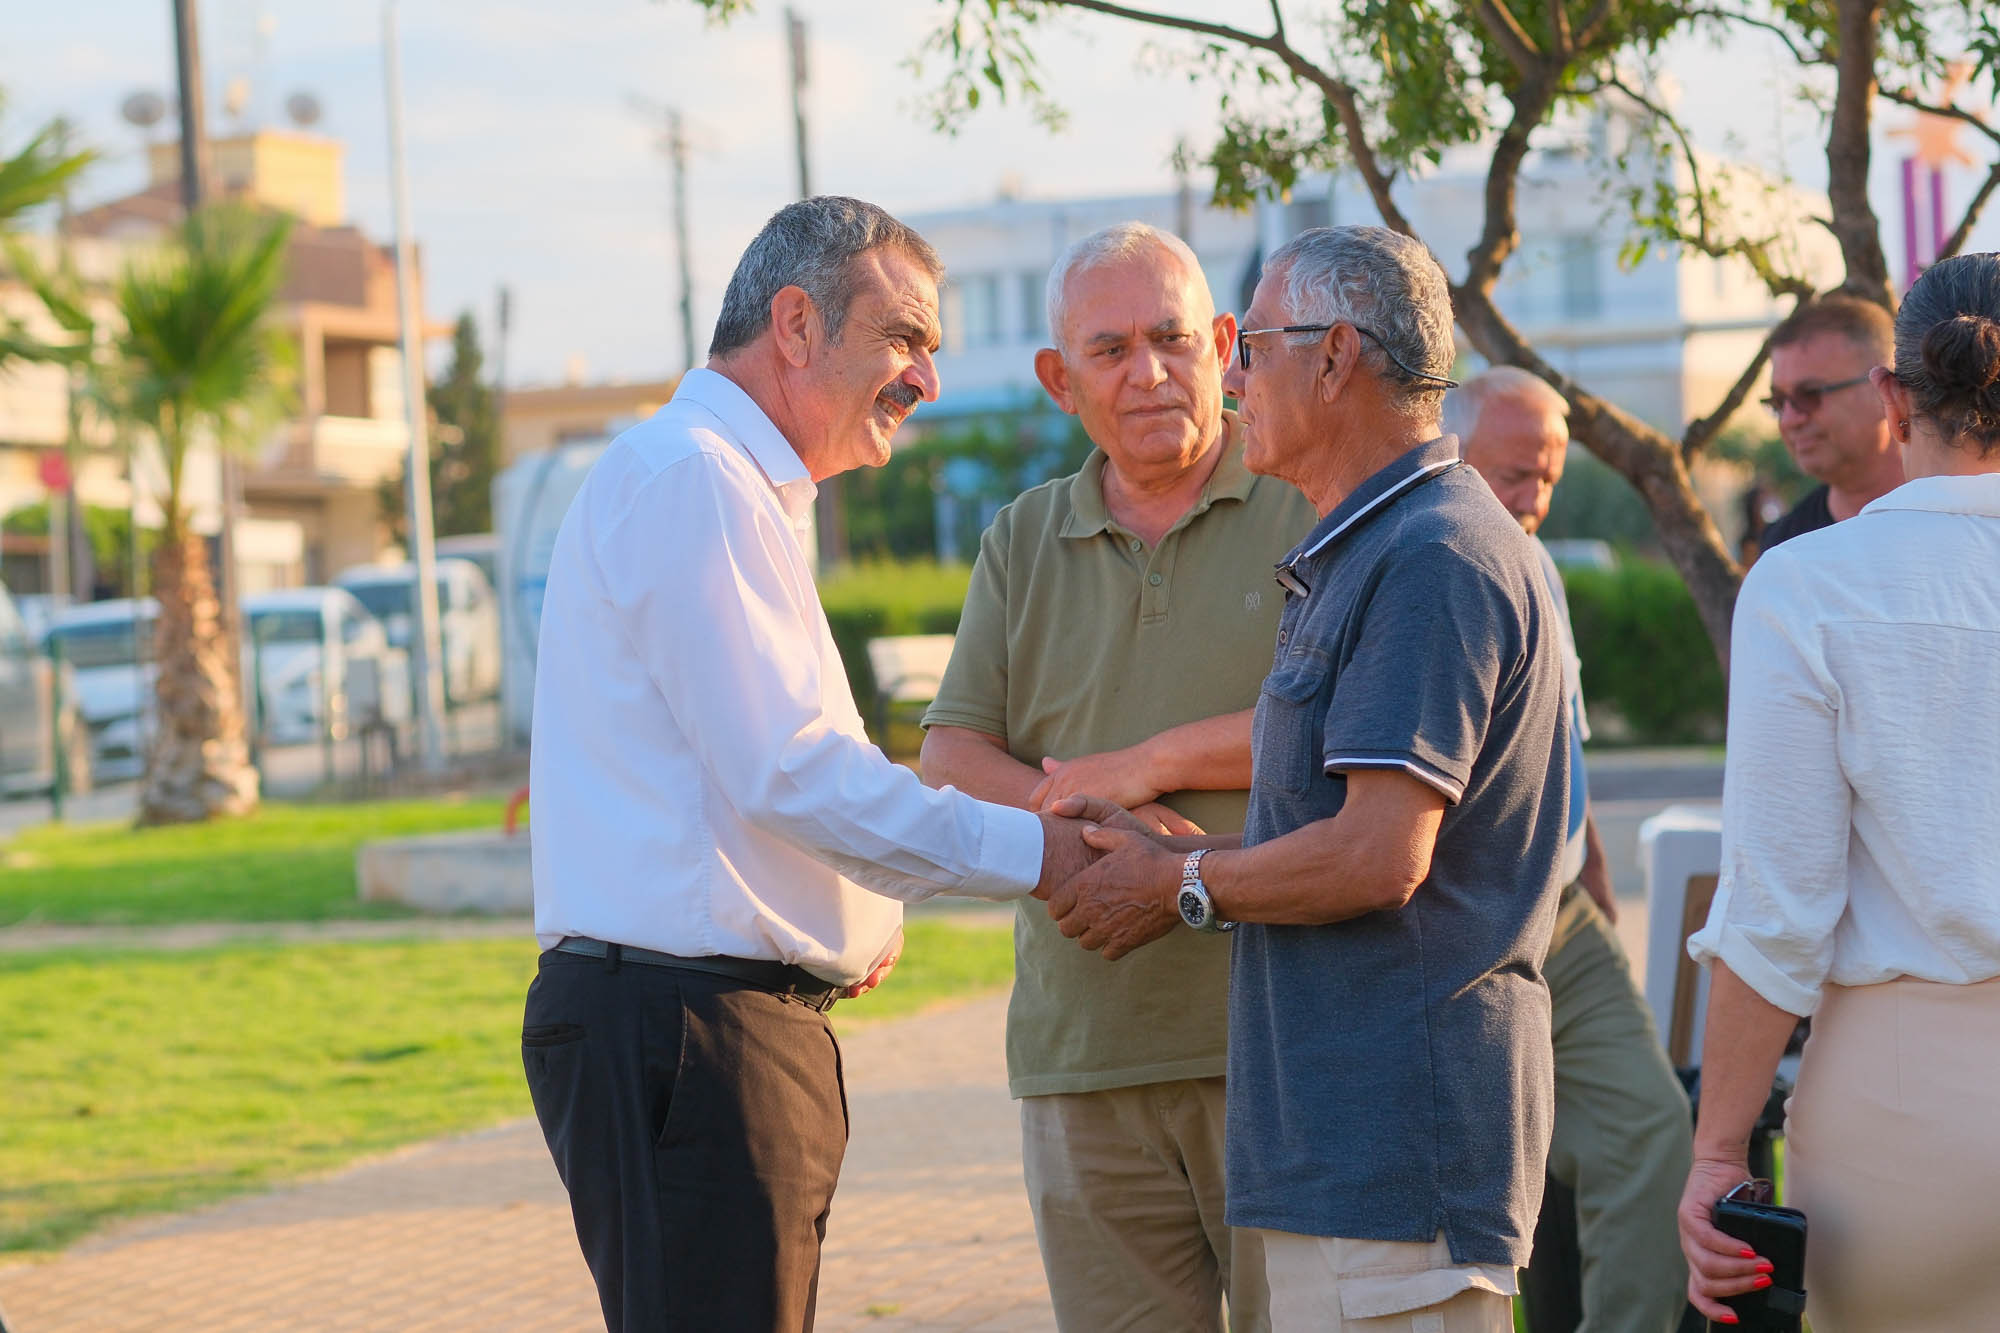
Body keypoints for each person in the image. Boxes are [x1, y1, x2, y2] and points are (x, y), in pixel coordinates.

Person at [521, 196, 1095, 1333]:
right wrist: (1042, 852)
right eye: (904, 337)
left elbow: (752, 773)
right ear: (794, 325)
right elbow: (789, 769)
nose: (925, 378)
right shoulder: (697, 478)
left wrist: (857, 912)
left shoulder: (719, 482)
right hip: (693, 1032)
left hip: (705, 1027)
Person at [1045, 225, 1570, 1332]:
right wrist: (1172, 856)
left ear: (1332, 358)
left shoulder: (1431, 554)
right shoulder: (1375, 543)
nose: (1231, 379)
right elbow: (1333, 829)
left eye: (1251, 348)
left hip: (1397, 1161)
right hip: (1343, 1162)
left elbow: (1378, 857)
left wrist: (1178, 884)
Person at [920, 221, 1315, 1333]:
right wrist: (1098, 832)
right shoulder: (1020, 538)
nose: (1147, 371)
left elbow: (1343, 727)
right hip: (1081, 1056)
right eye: (1109, 349)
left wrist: (1146, 768)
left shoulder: (1309, 502)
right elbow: (949, 753)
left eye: (1170, 338)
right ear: (1059, 380)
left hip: (1283, 1052)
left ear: (1225, 346)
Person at [1678, 252, 2000, 1331]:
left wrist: (1717, 1151)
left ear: (1894, 397)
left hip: (1910, 1106)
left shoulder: (1808, 582)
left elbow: (1776, 907)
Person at [1446, 368, 1694, 1333]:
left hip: (1564, 919)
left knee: (1649, 1131)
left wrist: (1589, 861)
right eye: (1516, 474)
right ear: (1451, 450)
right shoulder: (1430, 566)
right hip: (1462, 929)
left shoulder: (1538, 566)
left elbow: (1562, 738)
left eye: (1549, 477)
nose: (1536, 498)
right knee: (1484, 1187)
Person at [1753, 295, 1904, 555]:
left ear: (1885, 390)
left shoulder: (1962, 519)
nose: (1789, 421)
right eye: (1779, 402)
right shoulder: (1786, 549)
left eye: (1809, 394)